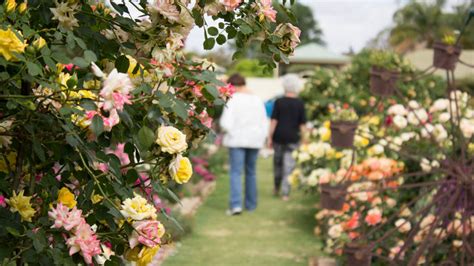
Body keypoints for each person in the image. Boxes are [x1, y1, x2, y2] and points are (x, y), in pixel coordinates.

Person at [220, 73, 268, 215]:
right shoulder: (257, 99)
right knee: (251, 172)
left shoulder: (233, 100)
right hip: (254, 140)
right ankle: (251, 205)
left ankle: (236, 206)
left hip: (236, 140)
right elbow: (263, 121)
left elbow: (225, 122)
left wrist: (230, 131)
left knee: (236, 172)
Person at [268, 74, 306, 201]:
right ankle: (285, 193)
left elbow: (273, 121)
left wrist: (269, 137)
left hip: (278, 137)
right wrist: (305, 139)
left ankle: (276, 187)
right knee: (288, 166)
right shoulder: (300, 103)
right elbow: (302, 124)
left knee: (277, 163)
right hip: (293, 138)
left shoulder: (279, 102)